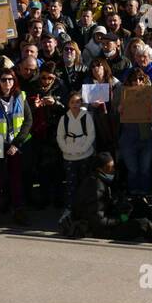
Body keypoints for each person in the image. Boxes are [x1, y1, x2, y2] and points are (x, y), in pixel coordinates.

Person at [74, 152, 152, 244]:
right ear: (99, 169)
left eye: (113, 167)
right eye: (109, 168)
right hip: (102, 231)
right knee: (142, 224)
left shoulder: (104, 180)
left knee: (139, 203)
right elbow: (98, 221)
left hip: (111, 216)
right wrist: (121, 219)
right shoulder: (95, 188)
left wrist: (125, 204)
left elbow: (112, 201)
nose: (112, 171)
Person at [0, 62, 32, 225]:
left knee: (16, 180)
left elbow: (27, 122)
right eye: (4, 80)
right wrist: (6, 146)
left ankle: (18, 211)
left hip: (17, 147)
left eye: (11, 79)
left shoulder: (21, 96)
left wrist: (15, 145)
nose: (7, 83)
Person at [57, 91, 97, 222]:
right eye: (72, 102)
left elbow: (91, 135)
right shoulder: (64, 118)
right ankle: (69, 209)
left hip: (85, 154)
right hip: (69, 156)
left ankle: (86, 210)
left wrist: (83, 149)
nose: (75, 104)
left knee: (84, 184)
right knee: (71, 184)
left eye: (78, 102)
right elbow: (60, 136)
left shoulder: (86, 116)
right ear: (68, 104)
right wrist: (66, 149)